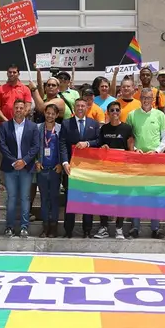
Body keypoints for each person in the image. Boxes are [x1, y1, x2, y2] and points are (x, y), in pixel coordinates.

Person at [127, 87, 165, 238]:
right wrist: (136, 149)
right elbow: (129, 137)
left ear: (153, 99)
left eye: (149, 98)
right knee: (136, 194)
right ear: (140, 98)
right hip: (138, 160)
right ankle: (135, 227)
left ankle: (156, 228)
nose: (146, 100)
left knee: (155, 195)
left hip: (155, 160)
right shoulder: (132, 115)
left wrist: (157, 151)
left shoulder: (160, 115)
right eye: (143, 97)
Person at [60, 96, 101, 238]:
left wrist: (87, 143)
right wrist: (65, 162)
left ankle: (87, 230)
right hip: (71, 168)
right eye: (77, 106)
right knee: (70, 199)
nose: (80, 108)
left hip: (88, 169)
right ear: (74, 108)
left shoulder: (94, 124)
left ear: (87, 107)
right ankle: (68, 230)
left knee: (87, 200)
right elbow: (63, 144)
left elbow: (99, 141)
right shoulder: (66, 124)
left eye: (83, 106)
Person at [0, 98, 39, 239]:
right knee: (11, 198)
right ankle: (9, 227)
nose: (19, 110)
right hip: (10, 168)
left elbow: (35, 147)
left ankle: (24, 227)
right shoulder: (5, 126)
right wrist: (14, 161)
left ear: (25, 110)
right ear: (12, 109)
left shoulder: (33, 127)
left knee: (25, 198)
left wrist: (25, 161)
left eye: (21, 108)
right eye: (16, 108)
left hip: (26, 168)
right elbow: (2, 146)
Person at [95, 100, 134, 239]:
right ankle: (104, 227)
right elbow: (99, 147)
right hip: (106, 170)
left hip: (122, 170)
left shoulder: (127, 129)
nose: (115, 113)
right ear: (108, 113)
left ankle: (119, 228)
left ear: (120, 111)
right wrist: (103, 148)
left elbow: (131, 149)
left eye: (117, 110)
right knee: (104, 198)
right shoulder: (104, 129)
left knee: (121, 199)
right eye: (112, 110)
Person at [34, 103, 63, 238]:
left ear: (57, 115)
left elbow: (63, 148)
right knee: (44, 199)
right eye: (48, 113)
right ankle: (45, 227)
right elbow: (33, 147)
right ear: (44, 113)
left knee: (54, 199)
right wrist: (36, 161)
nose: (50, 115)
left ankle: (54, 227)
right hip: (42, 169)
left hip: (55, 170)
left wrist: (61, 164)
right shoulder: (38, 128)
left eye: (53, 113)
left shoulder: (60, 129)